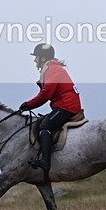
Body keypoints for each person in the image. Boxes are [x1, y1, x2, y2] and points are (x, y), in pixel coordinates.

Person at [19, 43, 82, 172]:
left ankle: (45, 161)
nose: (35, 60)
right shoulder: (52, 68)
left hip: (66, 106)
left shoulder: (53, 69)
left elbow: (47, 93)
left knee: (45, 126)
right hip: (64, 105)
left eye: (36, 57)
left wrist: (29, 104)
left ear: (43, 58)